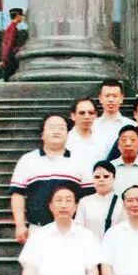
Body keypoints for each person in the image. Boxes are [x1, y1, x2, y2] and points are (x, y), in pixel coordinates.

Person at [9, 113, 93, 244]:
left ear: (68, 134)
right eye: (52, 127)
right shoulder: (28, 160)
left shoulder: (80, 161)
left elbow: (88, 198)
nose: (56, 131)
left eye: (61, 128)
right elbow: (17, 194)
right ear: (42, 134)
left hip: (72, 230)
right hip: (38, 229)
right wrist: (20, 225)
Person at [74, 159, 124, 240]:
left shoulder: (122, 202)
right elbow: (79, 229)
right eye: (97, 177)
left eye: (106, 176)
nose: (101, 179)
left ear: (114, 178)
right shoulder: (85, 202)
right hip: (89, 245)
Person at [92, 78, 135, 156]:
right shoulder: (92, 126)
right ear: (100, 98)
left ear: (121, 98)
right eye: (107, 96)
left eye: (115, 96)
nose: (111, 100)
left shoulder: (132, 126)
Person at [65, 96, 103, 171]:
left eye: (91, 113)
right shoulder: (66, 141)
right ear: (73, 116)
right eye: (82, 113)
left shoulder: (103, 140)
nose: (87, 117)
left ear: (96, 115)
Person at [0, 7, 25, 79]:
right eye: (21, 15)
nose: (22, 17)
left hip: (9, 58)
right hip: (11, 58)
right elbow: (9, 44)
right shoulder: (13, 28)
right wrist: (4, 60)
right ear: (17, 15)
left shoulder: (10, 27)